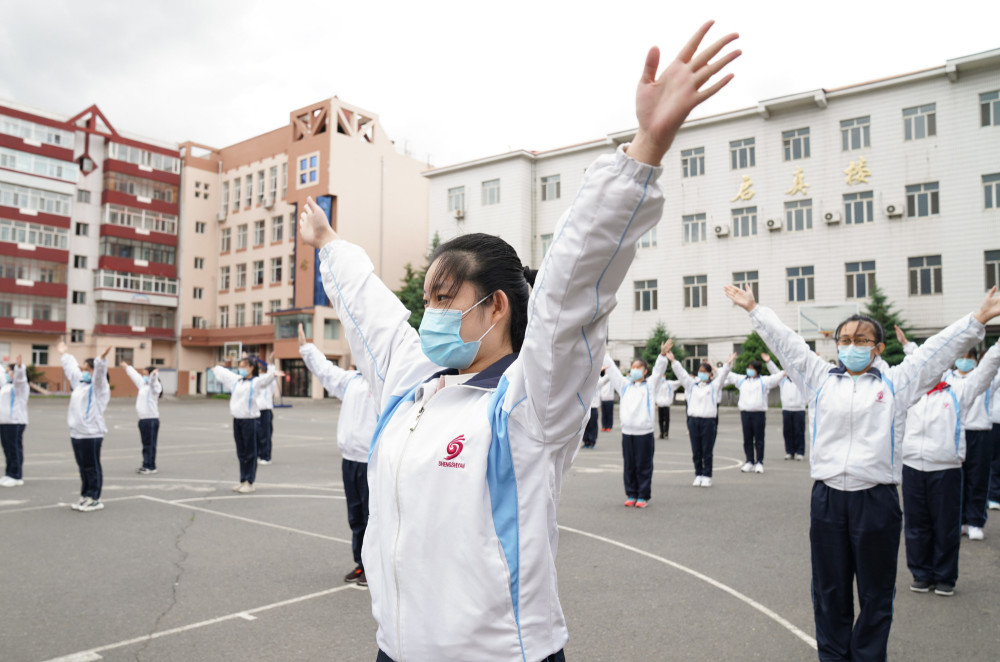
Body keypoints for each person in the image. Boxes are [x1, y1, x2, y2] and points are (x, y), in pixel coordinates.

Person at [298, 23, 740, 661]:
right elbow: (370, 311)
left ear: (495, 305)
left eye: (445, 297)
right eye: (427, 300)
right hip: (394, 651)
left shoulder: (529, 402)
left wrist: (645, 145)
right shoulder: (410, 388)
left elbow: (571, 289)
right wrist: (328, 244)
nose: (430, 315)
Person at [725, 282, 1000, 662]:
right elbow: (787, 344)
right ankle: (833, 656)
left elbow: (937, 352)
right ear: (836, 345)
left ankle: (869, 656)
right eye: (845, 339)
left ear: (878, 347)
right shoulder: (819, 379)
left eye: (861, 339)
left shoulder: (898, 382)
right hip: (828, 500)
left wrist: (977, 320)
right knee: (829, 590)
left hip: (876, 501)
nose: (852, 345)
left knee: (875, 593)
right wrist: (755, 310)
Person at [899, 337, 1000, 596]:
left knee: (945, 525)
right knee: (916, 524)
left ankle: (944, 577)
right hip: (912, 467)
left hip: (945, 469)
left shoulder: (958, 391)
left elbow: (988, 367)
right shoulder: (909, 393)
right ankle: (921, 573)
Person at [298, 323, 379, 587]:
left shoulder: (384, 382)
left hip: (371, 463)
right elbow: (325, 370)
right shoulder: (351, 381)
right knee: (355, 515)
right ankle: (360, 564)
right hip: (350, 461)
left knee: (372, 518)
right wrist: (307, 349)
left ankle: (375, 569)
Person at [913, 342, 996, 541]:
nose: (965, 361)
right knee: (958, 479)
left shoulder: (984, 377)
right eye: (962, 356)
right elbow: (924, 363)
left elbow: (993, 364)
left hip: (980, 433)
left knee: (978, 479)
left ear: (975, 360)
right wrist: (909, 345)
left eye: (969, 357)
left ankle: (975, 521)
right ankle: (959, 521)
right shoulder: (947, 377)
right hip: (955, 433)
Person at [603, 347, 668, 507]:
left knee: (643, 465)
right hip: (627, 432)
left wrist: (662, 355)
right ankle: (631, 493)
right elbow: (612, 371)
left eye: (639, 368)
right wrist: (604, 353)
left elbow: (659, 371)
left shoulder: (650, 386)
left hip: (644, 432)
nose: (635, 370)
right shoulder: (624, 385)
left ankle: (642, 496)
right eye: (633, 367)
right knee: (629, 464)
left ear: (645, 371)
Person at [669, 344, 733, 487]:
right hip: (693, 420)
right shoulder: (692, 385)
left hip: (708, 422)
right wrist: (673, 361)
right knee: (696, 450)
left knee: (707, 450)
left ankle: (707, 475)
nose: (701, 374)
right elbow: (682, 374)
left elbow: (722, 376)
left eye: (704, 372)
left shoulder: (714, 386)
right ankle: (698, 474)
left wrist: (728, 364)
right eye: (700, 371)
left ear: (710, 374)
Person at [211, 357, 279, 494]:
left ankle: (249, 481)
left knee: (250, 452)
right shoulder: (237, 381)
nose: (240, 369)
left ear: (251, 368)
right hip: (238, 420)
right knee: (241, 452)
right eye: (240, 366)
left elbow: (266, 380)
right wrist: (216, 368)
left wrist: (272, 373)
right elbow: (226, 375)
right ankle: (242, 480)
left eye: (243, 366)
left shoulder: (256, 382)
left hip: (250, 420)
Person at [59, 342, 112, 512]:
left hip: (91, 433)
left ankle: (95, 498)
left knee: (91, 466)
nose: (82, 371)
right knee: (83, 467)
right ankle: (85, 495)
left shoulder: (99, 389)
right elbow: (71, 369)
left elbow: (99, 376)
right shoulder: (80, 385)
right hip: (77, 433)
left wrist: (101, 360)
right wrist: (65, 354)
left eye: (86, 369)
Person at [726, 354, 783, 474]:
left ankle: (759, 462)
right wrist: (728, 363)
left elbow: (778, 376)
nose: (749, 370)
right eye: (748, 368)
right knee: (747, 439)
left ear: (757, 370)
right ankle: (749, 461)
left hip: (759, 414)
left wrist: (769, 363)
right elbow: (727, 374)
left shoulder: (764, 381)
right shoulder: (741, 380)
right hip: (745, 413)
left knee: (759, 439)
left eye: (752, 368)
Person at [121, 361, 162, 475]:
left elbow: (153, 382)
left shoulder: (155, 386)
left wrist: (154, 375)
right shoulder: (143, 385)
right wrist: (127, 367)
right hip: (143, 419)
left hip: (151, 419)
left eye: (145, 373)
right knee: (146, 444)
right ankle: (147, 464)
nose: (143, 375)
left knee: (150, 444)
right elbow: (134, 376)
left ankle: (150, 466)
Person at [765, 353, 806, 461]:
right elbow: (774, 371)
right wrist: (768, 361)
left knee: (799, 431)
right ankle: (789, 451)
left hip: (799, 409)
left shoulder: (801, 380)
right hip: (787, 409)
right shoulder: (782, 380)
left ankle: (800, 452)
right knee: (787, 432)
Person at [0, 356, 29, 487]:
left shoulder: (20, 386)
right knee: (7, 448)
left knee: (14, 448)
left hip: (15, 421)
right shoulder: (6, 387)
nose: (6, 374)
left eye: (9, 372)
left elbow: (20, 379)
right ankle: (9, 473)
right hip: (4, 421)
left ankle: (16, 475)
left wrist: (18, 368)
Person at [254, 354, 278, 465]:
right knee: (257, 434)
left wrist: (271, 362)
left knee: (265, 435)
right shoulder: (257, 381)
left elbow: (271, 375)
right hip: (256, 411)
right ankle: (258, 454)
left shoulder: (268, 381)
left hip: (265, 410)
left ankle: (266, 456)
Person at [653, 359, 682, 439]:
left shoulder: (669, 384)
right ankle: (661, 432)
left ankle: (666, 433)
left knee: (667, 420)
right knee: (660, 420)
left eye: (663, 375)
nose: (662, 377)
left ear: (665, 376)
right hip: (660, 404)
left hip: (666, 404)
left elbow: (679, 382)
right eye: (661, 375)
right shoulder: (656, 384)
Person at [582, 381, 601, 449]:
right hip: (586, 409)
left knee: (593, 426)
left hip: (593, 408)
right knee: (585, 426)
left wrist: (605, 370)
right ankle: (586, 441)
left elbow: (607, 378)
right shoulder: (585, 382)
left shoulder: (598, 382)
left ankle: (592, 442)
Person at [599, 363, 616, 432]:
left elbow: (612, 373)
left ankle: (609, 426)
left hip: (609, 399)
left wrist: (608, 367)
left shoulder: (610, 378)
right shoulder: (601, 379)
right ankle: (604, 426)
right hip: (603, 399)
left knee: (609, 414)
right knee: (604, 414)